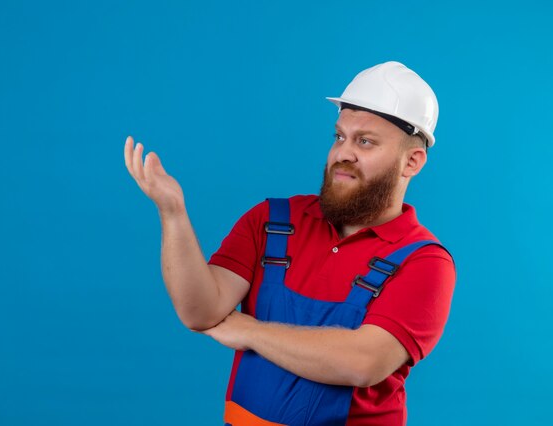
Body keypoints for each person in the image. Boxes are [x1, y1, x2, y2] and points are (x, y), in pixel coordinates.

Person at [124, 61, 456, 426]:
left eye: (365, 141)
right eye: (339, 136)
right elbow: (200, 312)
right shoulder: (273, 221)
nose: (343, 153)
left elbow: (363, 362)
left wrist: (248, 330)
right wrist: (173, 213)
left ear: (412, 161)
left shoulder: (424, 261)